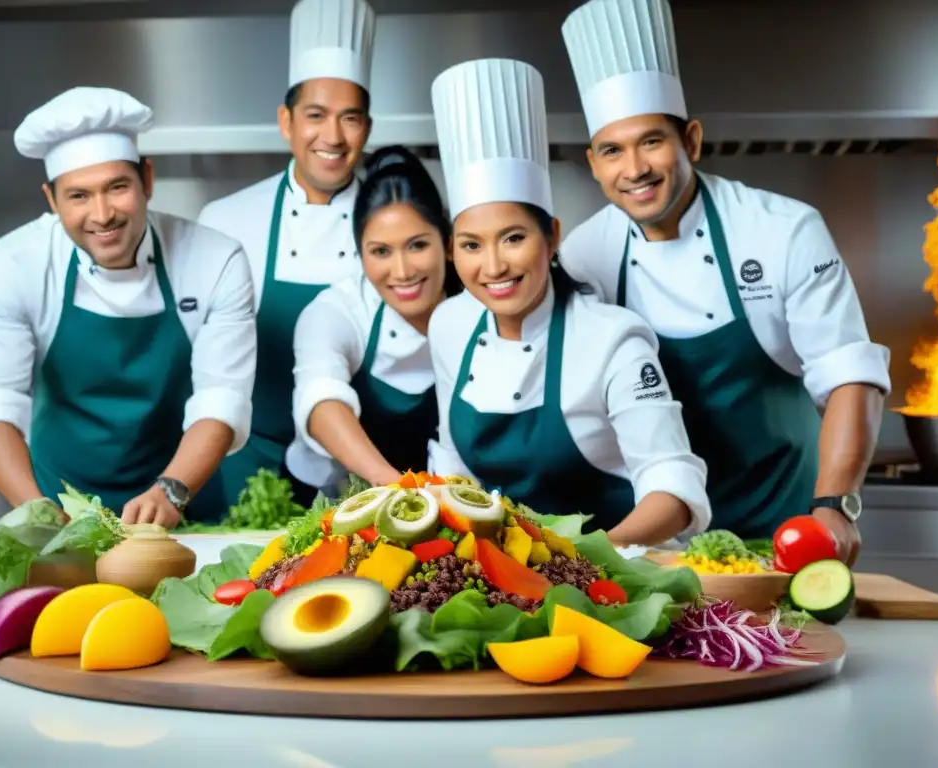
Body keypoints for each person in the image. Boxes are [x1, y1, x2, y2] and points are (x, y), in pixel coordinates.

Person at [557, 0, 891, 561]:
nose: (633, 168)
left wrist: (835, 503)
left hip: (780, 527)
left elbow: (847, 374)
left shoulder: (782, 230)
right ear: (593, 163)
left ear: (690, 140)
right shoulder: (584, 255)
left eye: (651, 142)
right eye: (612, 151)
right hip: (652, 544)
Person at [426, 58, 712, 547]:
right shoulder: (450, 324)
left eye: (513, 238)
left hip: (620, 576)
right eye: (472, 245)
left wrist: (587, 561)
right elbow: (455, 467)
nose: (493, 267)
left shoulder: (611, 338)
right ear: (452, 251)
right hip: (507, 579)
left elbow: (672, 485)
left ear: (552, 237)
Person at [0, 87, 257, 528]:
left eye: (117, 187)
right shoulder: (14, 262)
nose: (102, 214)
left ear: (147, 180)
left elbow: (221, 398)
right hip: (53, 500)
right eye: (78, 196)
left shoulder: (214, 259)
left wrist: (171, 490)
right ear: (51, 199)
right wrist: (36, 511)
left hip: (182, 500)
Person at [197, 0, 377, 508]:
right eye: (316, 116)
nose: (333, 137)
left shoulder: (395, 226)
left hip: (359, 463)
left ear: (367, 127)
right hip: (246, 460)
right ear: (286, 121)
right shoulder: (224, 221)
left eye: (351, 119)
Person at [285, 146, 459, 493]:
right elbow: (321, 400)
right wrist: (397, 489)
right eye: (381, 251)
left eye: (417, 246)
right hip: (333, 496)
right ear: (360, 254)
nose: (403, 271)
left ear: (448, 243)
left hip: (442, 493)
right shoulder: (336, 311)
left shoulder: (475, 310)